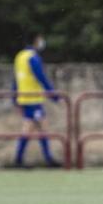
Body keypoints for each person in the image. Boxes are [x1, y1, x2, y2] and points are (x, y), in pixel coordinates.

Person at [12, 31, 61, 167]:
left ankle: (45, 159)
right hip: (32, 99)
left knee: (38, 127)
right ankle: (22, 160)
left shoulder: (20, 56)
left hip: (24, 98)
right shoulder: (33, 57)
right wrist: (53, 94)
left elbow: (15, 79)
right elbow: (41, 77)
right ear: (36, 40)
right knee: (34, 128)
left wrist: (14, 97)